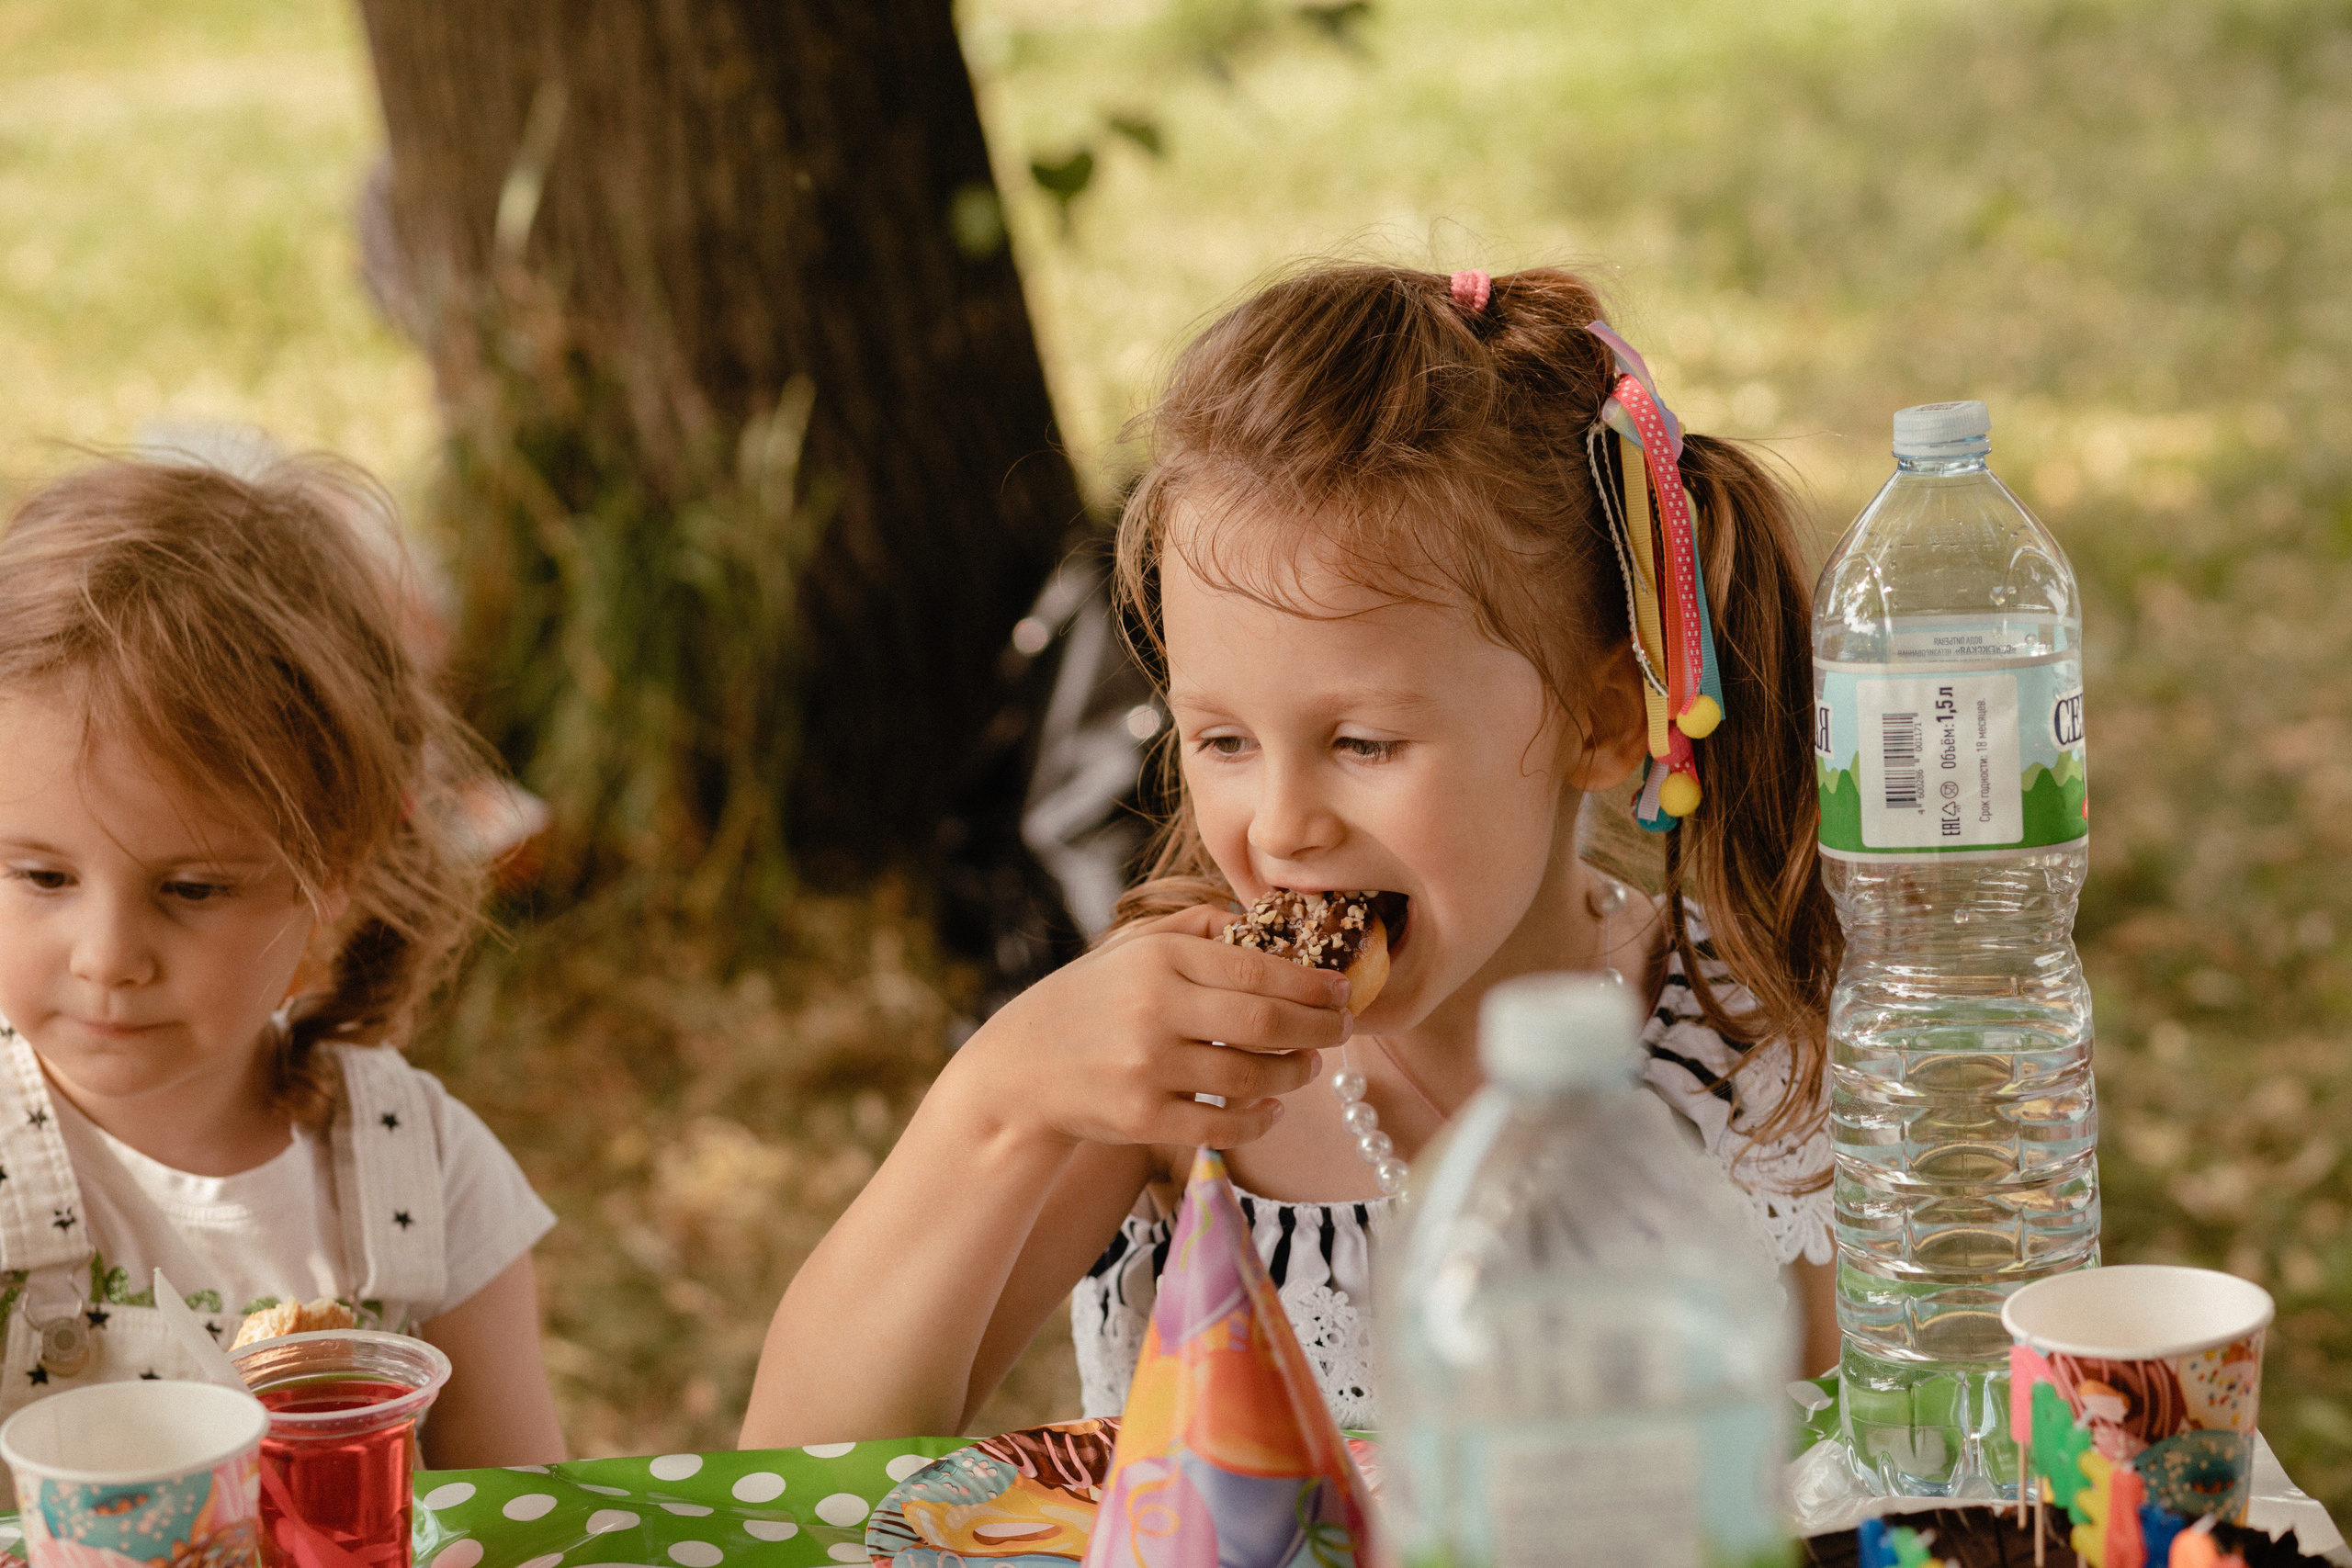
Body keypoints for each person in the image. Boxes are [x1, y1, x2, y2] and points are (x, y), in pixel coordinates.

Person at [741, 264, 1840, 1447]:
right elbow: (805, 1466)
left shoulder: (1760, 1050)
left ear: (1604, 721)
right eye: (1222, 740)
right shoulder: (1172, 1076)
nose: (1279, 826)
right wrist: (995, 1100)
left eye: (1362, 743)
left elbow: (1876, 1474)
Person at [0, 457, 564, 1463]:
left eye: (191, 889)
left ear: (331, 871)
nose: (108, 958)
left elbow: (519, 1512)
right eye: (44, 876)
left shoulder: (425, 1176)